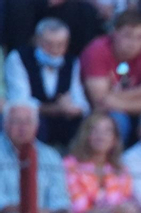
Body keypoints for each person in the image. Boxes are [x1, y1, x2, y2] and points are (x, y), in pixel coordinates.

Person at [1, 100, 74, 213]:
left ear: (36, 126)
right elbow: (2, 206)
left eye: (27, 122)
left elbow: (60, 200)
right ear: (5, 124)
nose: (22, 127)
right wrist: (32, 212)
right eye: (16, 122)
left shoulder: (50, 155)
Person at [78, 11, 141, 140]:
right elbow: (100, 102)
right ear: (114, 33)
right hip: (91, 113)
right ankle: (113, 160)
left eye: (140, 38)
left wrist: (116, 99)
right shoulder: (97, 51)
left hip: (125, 108)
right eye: (128, 36)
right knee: (118, 119)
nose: (133, 43)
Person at [5, 17, 88, 148]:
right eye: (49, 44)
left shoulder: (72, 62)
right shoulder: (18, 58)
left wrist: (72, 109)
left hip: (63, 118)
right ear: (37, 40)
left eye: (60, 45)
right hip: (34, 118)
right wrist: (57, 108)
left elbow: (81, 102)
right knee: (33, 122)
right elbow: (21, 100)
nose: (55, 50)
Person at [62, 111, 137, 213]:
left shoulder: (121, 170)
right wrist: (113, 211)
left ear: (114, 139)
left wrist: (123, 211)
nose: (101, 136)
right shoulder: (70, 165)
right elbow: (79, 207)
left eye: (107, 131)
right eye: (95, 130)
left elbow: (128, 205)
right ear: (86, 135)